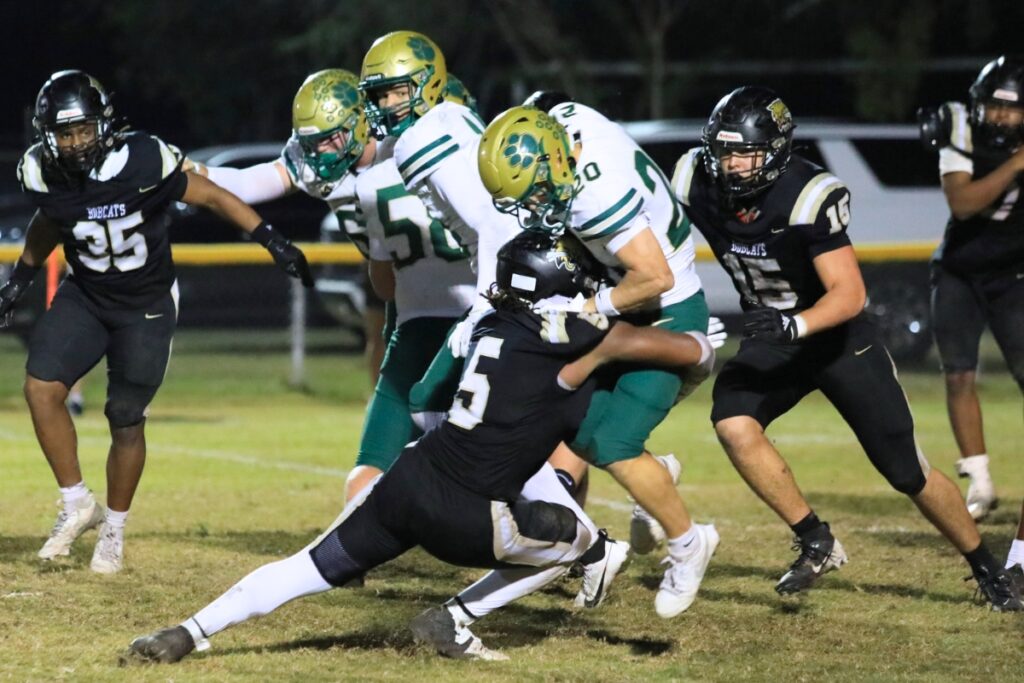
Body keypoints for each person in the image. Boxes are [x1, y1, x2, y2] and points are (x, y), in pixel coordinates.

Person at [125, 230, 714, 664]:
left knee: (308, 566)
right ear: (558, 285)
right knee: (583, 543)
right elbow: (685, 351)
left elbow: (438, 389)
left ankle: (188, 631)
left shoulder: (484, 322)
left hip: (410, 477)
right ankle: (457, 619)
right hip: (473, 511)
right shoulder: (573, 335)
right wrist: (693, 345)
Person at [671, 85, 1021, 610]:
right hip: (776, 333)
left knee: (907, 471)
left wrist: (796, 326)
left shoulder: (807, 193)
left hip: (835, 338)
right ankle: (815, 538)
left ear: (776, 150)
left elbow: (850, 294)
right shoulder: (691, 178)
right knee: (733, 422)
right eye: (723, 152)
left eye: (745, 154)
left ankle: (987, 567)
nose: (732, 166)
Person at [0, 70, 313, 574]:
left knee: (124, 417)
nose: (76, 143)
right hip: (87, 295)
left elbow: (209, 194)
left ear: (104, 124)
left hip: (144, 302)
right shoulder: (42, 171)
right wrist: (18, 282)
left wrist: (271, 239)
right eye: (64, 134)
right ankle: (77, 502)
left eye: (83, 130)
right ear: (47, 136)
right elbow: (50, 222)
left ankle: (114, 531)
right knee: (41, 387)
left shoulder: (143, 157)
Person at [187, 68, 476, 503]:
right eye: (313, 140)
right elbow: (247, 182)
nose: (320, 152)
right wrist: (185, 166)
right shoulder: (403, 145)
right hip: (416, 293)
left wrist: (179, 167)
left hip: (448, 293)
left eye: (329, 139)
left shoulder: (406, 148)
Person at [476, 102, 719, 618]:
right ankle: (657, 477)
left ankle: (690, 544)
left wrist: (590, 308)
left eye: (536, 191)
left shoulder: (593, 194)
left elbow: (656, 277)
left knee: (613, 442)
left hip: (663, 310)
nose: (535, 205)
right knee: (577, 429)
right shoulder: (567, 124)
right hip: (631, 296)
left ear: (557, 162)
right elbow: (552, 106)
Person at [921, 55, 1024, 522]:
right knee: (959, 373)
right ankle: (980, 480)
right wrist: (1018, 163)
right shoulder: (960, 128)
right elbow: (962, 202)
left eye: (1011, 108)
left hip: (1015, 275)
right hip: (961, 269)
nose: (999, 117)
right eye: (992, 106)